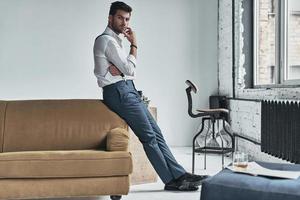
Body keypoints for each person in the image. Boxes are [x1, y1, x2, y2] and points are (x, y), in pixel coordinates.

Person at [93, 1, 209, 191]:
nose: (124, 23)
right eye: (120, 18)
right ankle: (171, 181)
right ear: (110, 18)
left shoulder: (115, 42)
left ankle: (180, 174)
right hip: (119, 92)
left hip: (126, 88)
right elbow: (130, 69)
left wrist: (123, 71)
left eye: (127, 19)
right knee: (148, 136)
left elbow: (128, 71)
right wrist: (134, 45)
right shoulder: (107, 41)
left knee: (156, 134)